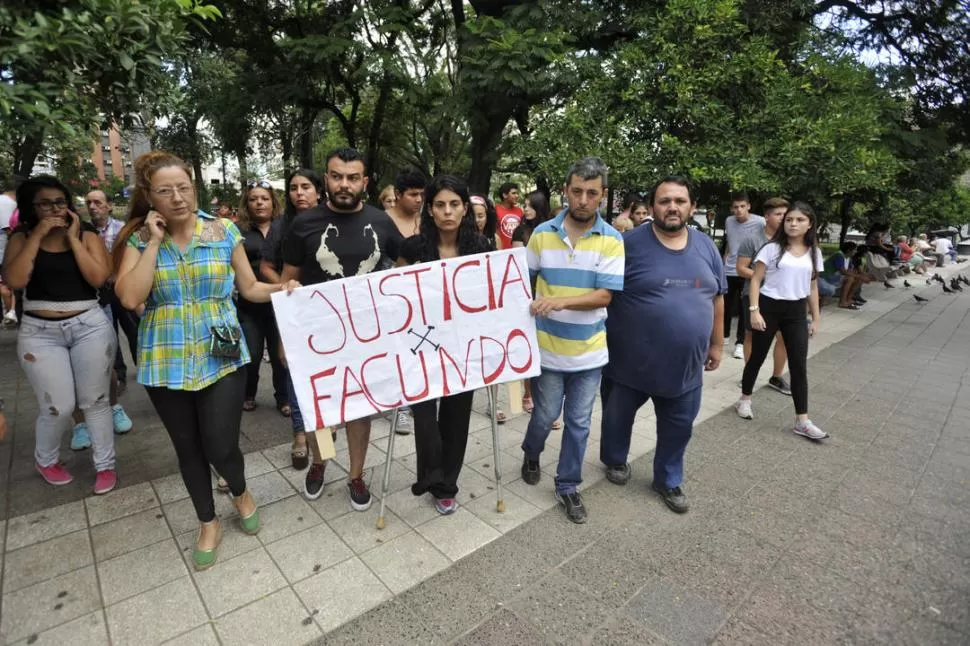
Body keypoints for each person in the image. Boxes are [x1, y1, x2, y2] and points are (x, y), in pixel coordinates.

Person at [114, 152, 299, 570]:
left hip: (223, 350)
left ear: (194, 188)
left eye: (184, 188)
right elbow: (129, 298)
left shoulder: (223, 230)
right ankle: (207, 521)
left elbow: (249, 288)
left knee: (220, 442)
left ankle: (240, 491)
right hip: (166, 356)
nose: (177, 197)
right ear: (149, 195)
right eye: (165, 191)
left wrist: (285, 288)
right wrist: (155, 241)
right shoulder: (138, 241)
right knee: (188, 448)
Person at [280, 147, 402, 507]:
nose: (344, 184)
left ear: (364, 181)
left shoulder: (382, 222)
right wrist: (286, 337)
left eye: (352, 178)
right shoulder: (303, 225)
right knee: (321, 407)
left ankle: (356, 475)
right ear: (326, 179)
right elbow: (288, 282)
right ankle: (319, 462)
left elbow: (405, 270)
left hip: (367, 337)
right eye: (336, 176)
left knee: (360, 409)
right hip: (317, 335)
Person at [600, 176, 725, 513]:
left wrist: (717, 345)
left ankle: (667, 480)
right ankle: (614, 460)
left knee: (679, 427)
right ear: (652, 207)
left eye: (680, 201)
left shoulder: (706, 247)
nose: (673, 207)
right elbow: (604, 294)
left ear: (692, 207)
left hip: (685, 367)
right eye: (665, 201)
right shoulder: (628, 244)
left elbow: (717, 297)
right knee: (616, 419)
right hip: (628, 363)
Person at [520, 157, 624, 524]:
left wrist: (559, 301)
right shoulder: (541, 234)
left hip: (590, 353)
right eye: (577, 191)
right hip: (547, 349)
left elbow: (604, 296)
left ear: (602, 196)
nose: (582, 199)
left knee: (579, 423)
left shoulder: (612, 240)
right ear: (566, 191)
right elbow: (520, 282)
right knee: (545, 416)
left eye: (591, 193)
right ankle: (531, 452)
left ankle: (568, 485)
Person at [1, 176, 118, 494]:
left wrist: (73, 238)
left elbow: (99, 278)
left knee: (95, 400)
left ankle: (105, 465)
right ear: (31, 207)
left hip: (89, 324)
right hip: (40, 331)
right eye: (45, 203)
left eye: (60, 201)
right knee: (58, 405)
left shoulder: (85, 232)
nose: (54, 208)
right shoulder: (22, 237)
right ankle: (46, 459)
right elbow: (15, 279)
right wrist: (37, 235)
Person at [396, 175, 491, 515]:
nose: (448, 211)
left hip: (462, 348)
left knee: (456, 418)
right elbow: (396, 294)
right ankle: (431, 473)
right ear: (430, 210)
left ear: (465, 209)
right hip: (420, 346)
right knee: (424, 417)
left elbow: (491, 300)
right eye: (440, 205)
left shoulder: (481, 248)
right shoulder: (412, 247)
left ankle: (446, 485)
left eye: (454, 204)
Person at [735, 202, 827, 441]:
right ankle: (745, 399)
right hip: (768, 307)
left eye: (799, 220)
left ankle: (802, 420)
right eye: (789, 220)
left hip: (796, 312)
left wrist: (816, 317)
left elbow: (812, 285)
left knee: (798, 365)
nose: (793, 224)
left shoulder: (814, 253)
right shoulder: (772, 248)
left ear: (809, 224)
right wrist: (754, 311)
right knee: (757, 357)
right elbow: (755, 280)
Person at [260, 168, 324, 470]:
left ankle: (323, 436)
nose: (299, 193)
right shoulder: (281, 226)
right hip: (295, 310)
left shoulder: (332, 221)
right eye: (294, 188)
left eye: (306, 187)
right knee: (296, 372)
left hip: (330, 311)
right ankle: (300, 435)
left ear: (319, 192)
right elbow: (267, 266)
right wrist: (284, 287)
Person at [237, 180, 288, 416]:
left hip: (282, 303)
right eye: (253, 199)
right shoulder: (238, 232)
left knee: (281, 357)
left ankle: (283, 398)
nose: (259, 203)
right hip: (250, 306)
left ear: (273, 202)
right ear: (247, 204)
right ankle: (248, 393)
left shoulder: (286, 227)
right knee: (252, 355)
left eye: (264, 198)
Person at [383, 170, 428, 435]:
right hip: (391, 300)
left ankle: (418, 397)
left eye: (422, 194)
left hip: (421, 300)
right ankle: (400, 406)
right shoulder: (381, 221)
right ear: (398, 194)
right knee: (397, 352)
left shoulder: (428, 222)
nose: (418, 199)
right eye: (413, 194)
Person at [735, 197, 790, 394]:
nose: (783, 218)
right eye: (778, 214)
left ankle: (776, 377)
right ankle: (749, 374)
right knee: (752, 335)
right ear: (767, 217)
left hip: (783, 297)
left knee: (783, 337)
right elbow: (741, 268)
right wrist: (763, 276)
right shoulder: (752, 239)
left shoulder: (791, 240)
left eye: (785, 214)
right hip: (754, 294)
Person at [511, 191, 557, 423]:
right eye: (524, 205)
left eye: (530, 206)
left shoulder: (552, 230)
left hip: (547, 295)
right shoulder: (521, 231)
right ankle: (527, 394)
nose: (525, 210)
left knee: (543, 348)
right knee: (527, 345)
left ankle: (545, 400)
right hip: (526, 294)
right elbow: (518, 263)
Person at [723, 192, 764, 360]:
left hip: (747, 269)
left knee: (743, 307)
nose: (738, 210)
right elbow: (730, 244)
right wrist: (723, 260)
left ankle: (740, 343)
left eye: (742, 206)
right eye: (735, 207)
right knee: (725, 305)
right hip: (729, 269)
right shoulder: (729, 221)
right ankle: (723, 336)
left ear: (748, 206)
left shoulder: (760, 221)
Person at [819, 241, 868, 309]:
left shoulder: (848, 257)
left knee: (858, 279)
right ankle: (842, 302)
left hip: (835, 276)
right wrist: (859, 276)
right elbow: (843, 271)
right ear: (849, 250)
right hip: (826, 276)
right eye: (854, 250)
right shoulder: (839, 255)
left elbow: (850, 270)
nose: (856, 251)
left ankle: (849, 299)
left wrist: (860, 276)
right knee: (850, 278)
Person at [1, 175, 20, 326]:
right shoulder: (11, 205)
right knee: (8, 286)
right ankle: (12, 314)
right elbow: (10, 231)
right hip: (6, 251)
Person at [494, 182, 523, 249]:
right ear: (504, 195)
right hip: (502, 253)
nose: (517, 196)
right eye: (513, 193)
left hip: (518, 251)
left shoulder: (520, 211)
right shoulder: (495, 210)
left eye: (517, 193)